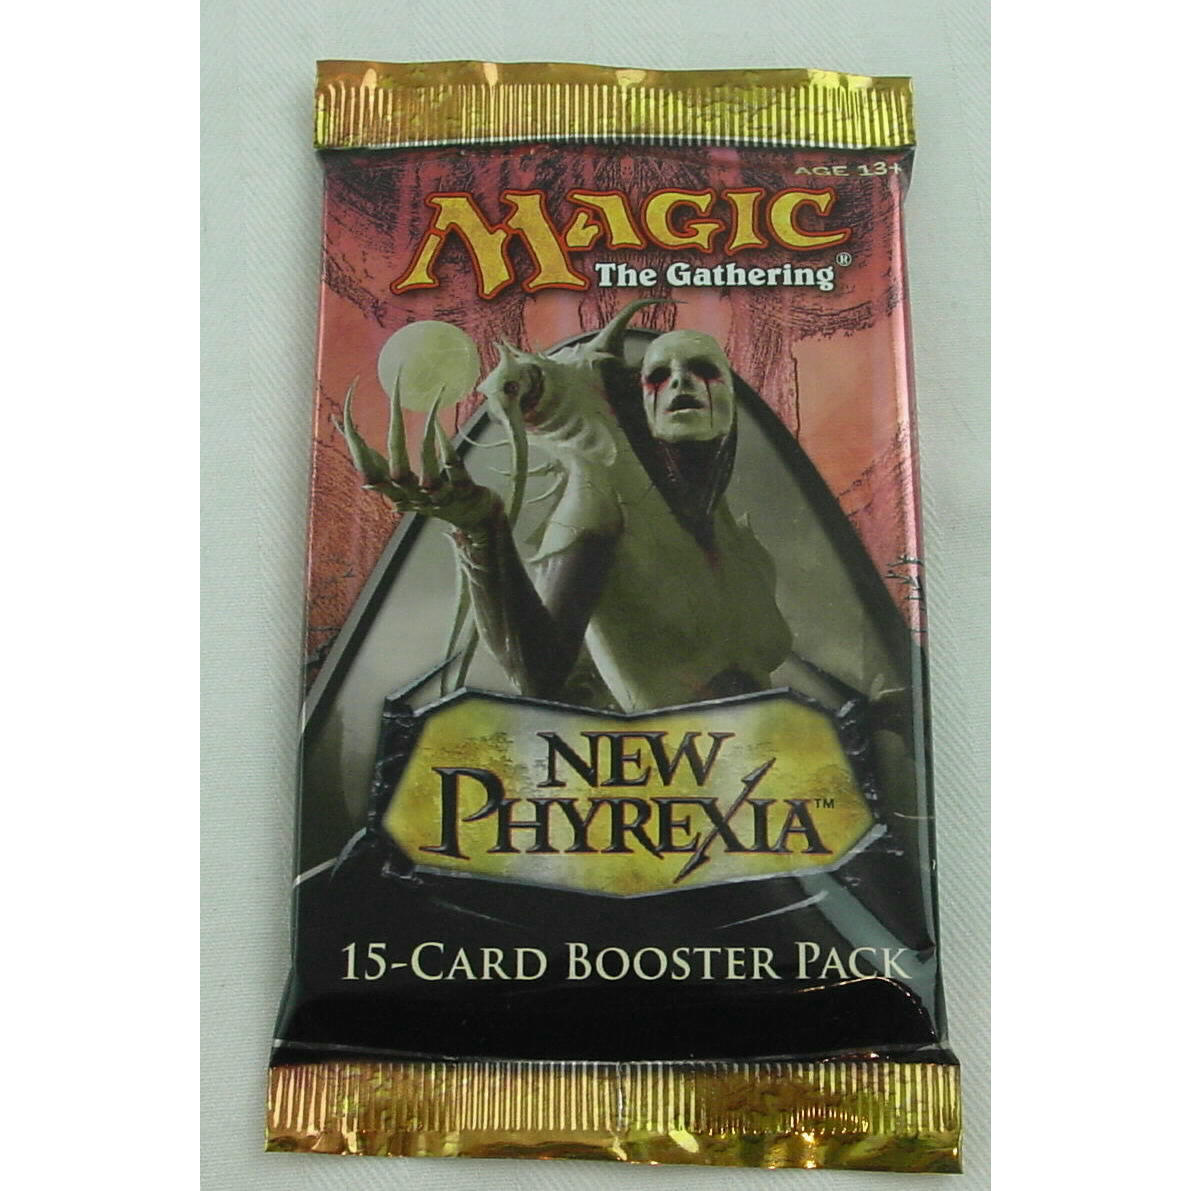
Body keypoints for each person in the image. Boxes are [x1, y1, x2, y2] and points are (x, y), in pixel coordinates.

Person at [342, 301, 792, 712]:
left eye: (703, 369)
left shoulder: (743, 545)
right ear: (644, 402)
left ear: (733, 400)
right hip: (669, 763)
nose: (679, 381)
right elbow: (540, 674)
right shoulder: (601, 497)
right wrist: (483, 532)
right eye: (658, 375)